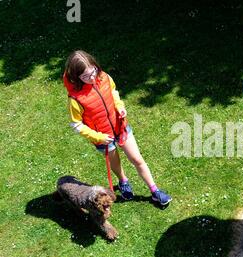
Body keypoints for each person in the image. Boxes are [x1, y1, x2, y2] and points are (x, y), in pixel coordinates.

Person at [62, 50, 172, 207]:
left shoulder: (105, 77)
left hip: (121, 126)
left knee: (137, 159)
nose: (92, 77)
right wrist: (98, 137)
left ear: (95, 65)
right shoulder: (75, 99)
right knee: (116, 163)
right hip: (103, 138)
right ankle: (123, 181)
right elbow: (76, 124)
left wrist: (120, 106)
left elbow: (113, 92)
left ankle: (155, 191)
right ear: (76, 77)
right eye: (85, 77)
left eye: (93, 71)